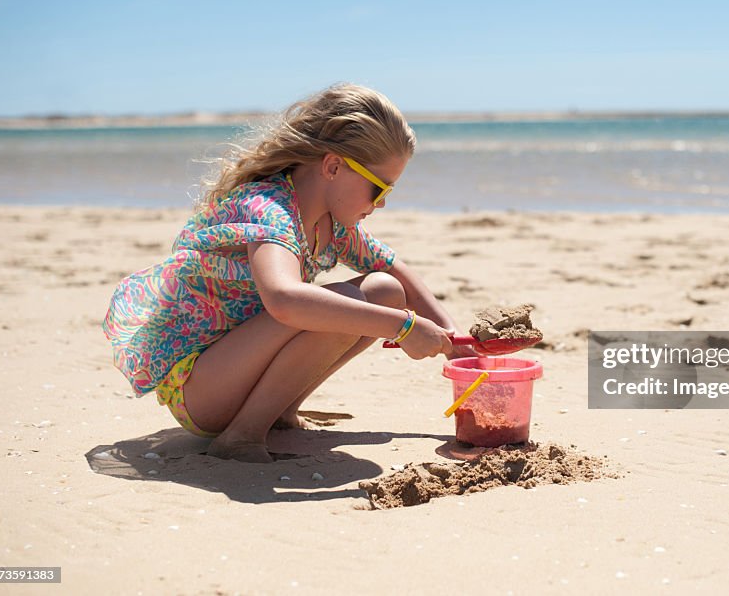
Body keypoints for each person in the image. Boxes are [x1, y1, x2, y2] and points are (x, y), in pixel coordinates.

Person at [103, 83, 474, 463]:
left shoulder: (332, 223)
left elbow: (393, 270)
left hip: (245, 373)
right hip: (204, 390)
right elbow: (283, 299)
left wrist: (454, 339)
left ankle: (277, 412)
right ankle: (241, 436)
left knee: (384, 290)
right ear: (333, 166)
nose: (380, 205)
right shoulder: (268, 209)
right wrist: (404, 328)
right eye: (378, 190)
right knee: (344, 302)